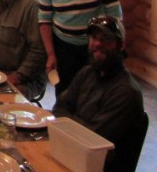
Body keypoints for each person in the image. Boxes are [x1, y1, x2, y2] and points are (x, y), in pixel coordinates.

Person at [52, 15, 146, 172]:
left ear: (121, 45)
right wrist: (71, 124)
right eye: (94, 38)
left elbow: (92, 139)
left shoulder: (126, 92)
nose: (97, 44)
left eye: (106, 39)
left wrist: (67, 122)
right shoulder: (86, 73)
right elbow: (59, 107)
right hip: (72, 154)